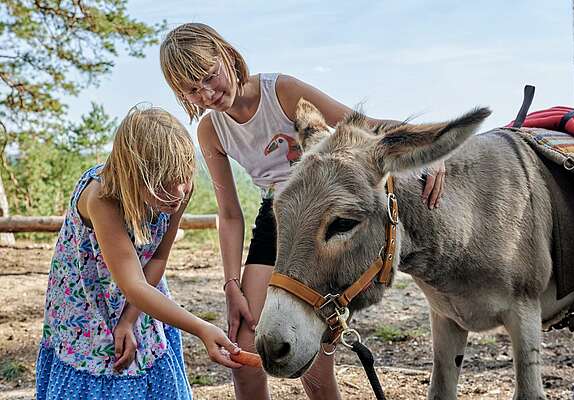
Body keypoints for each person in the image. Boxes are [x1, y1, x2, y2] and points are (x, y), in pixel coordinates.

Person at [160, 23, 446, 400]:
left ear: (227, 55)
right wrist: (231, 285)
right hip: (277, 215)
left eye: (210, 77)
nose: (208, 93)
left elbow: (361, 127)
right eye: (193, 90)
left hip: (320, 209)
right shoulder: (212, 131)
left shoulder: (279, 91)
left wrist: (433, 143)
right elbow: (230, 213)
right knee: (243, 342)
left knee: (310, 352)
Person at [35, 105, 242, 400]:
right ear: (134, 177)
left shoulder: (179, 188)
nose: (180, 192)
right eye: (163, 185)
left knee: (146, 359)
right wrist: (200, 327)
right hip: (89, 301)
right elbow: (132, 285)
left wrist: (129, 319)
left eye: (184, 177)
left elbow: (157, 259)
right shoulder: (101, 199)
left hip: (145, 292)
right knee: (104, 365)